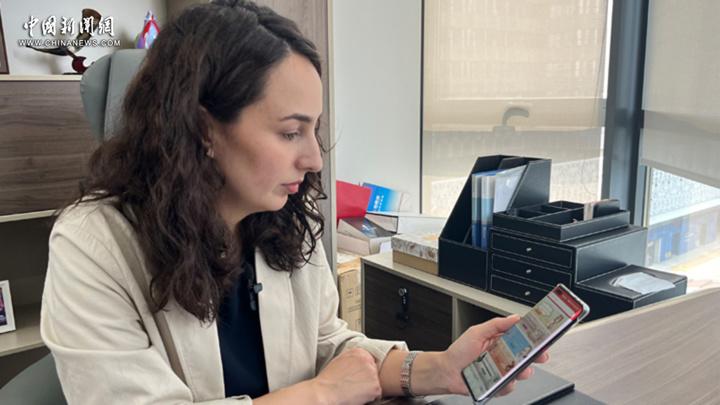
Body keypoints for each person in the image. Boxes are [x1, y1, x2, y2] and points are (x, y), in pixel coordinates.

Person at [40, 1, 548, 404]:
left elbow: (329, 346)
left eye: (313, 130)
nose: (314, 159)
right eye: (289, 132)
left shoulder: (281, 220)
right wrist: (320, 396)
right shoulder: (93, 244)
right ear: (202, 128)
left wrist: (440, 368)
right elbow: (329, 382)